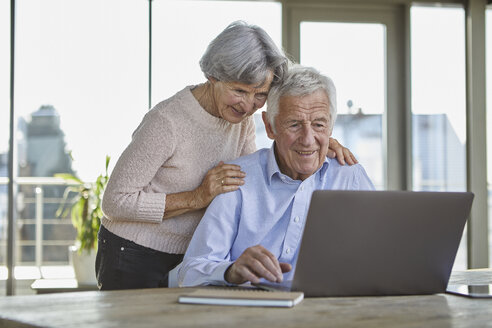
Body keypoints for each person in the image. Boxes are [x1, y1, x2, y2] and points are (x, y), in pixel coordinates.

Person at [96, 21, 355, 291]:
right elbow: (114, 201)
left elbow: (254, 180)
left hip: (190, 256)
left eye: (260, 95)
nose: (247, 105)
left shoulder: (240, 121)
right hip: (134, 252)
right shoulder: (167, 122)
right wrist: (198, 197)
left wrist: (311, 141)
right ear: (213, 77)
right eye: (239, 90)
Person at [178, 64, 375, 287]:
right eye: (294, 124)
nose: (308, 139)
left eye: (319, 124)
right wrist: (230, 271)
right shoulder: (237, 179)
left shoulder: (350, 177)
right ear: (270, 126)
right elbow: (190, 272)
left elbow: (382, 256)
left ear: (330, 128)